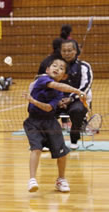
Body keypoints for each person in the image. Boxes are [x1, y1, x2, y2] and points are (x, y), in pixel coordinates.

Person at [23, 56, 86, 193]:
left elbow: (48, 108)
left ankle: (61, 179)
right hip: (33, 122)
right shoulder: (43, 80)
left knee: (62, 153)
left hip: (50, 122)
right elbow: (56, 85)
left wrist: (34, 101)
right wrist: (77, 91)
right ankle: (32, 179)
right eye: (54, 66)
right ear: (47, 69)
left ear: (64, 75)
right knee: (36, 149)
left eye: (61, 68)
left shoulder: (59, 93)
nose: (57, 68)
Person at [58, 39, 93, 150]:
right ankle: (48, 140)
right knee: (45, 109)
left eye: (69, 50)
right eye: (64, 51)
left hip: (76, 100)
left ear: (75, 51)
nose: (67, 53)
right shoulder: (56, 66)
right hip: (58, 100)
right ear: (61, 52)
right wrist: (57, 99)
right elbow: (50, 83)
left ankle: (74, 139)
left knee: (77, 111)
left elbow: (86, 85)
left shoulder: (84, 66)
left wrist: (71, 98)